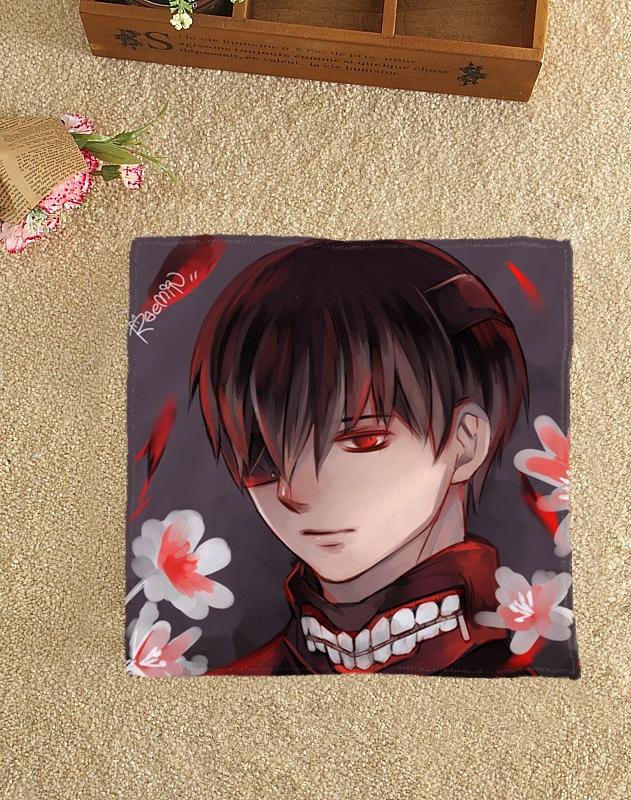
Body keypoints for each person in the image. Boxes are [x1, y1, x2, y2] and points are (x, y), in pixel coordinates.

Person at [189, 239, 537, 676]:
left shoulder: (529, 685)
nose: (294, 492)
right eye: (264, 459)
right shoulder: (230, 686)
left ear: (464, 442)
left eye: (363, 440)